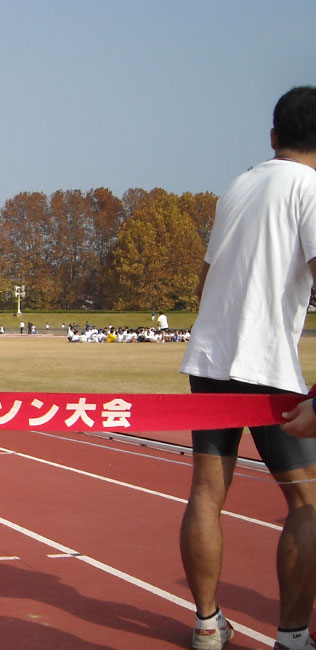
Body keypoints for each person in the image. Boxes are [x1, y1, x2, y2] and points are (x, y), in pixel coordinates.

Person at [178, 86, 316, 650]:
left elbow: (207, 281)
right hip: (269, 367)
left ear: (273, 137)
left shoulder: (239, 185)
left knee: (207, 493)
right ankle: (292, 635)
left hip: (210, 359)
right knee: (307, 502)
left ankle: (208, 625)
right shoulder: (311, 189)